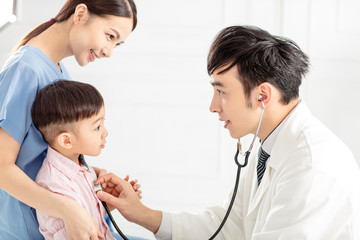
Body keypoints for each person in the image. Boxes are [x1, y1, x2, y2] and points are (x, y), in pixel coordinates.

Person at [94, 25, 360, 239]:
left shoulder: (312, 165)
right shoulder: (270, 147)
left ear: (262, 96)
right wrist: (142, 214)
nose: (213, 106)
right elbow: (229, 227)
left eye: (221, 91)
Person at [0, 0, 137, 239]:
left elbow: (41, 157)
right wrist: (68, 210)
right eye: (109, 36)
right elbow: (2, 167)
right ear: (81, 14)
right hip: (32, 229)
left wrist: (87, 178)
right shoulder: (26, 69)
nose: (109, 51)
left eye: (117, 43)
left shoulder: (58, 69)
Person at [31, 80, 142, 240]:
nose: (105, 133)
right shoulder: (56, 187)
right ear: (67, 141)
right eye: (97, 127)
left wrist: (111, 202)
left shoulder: (80, 166)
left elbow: (89, 215)